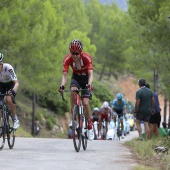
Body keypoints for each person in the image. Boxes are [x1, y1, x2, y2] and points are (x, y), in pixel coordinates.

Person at [58, 39, 94, 140]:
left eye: (77, 53)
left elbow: (91, 74)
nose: (74, 55)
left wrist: (89, 84)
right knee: (73, 92)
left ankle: (90, 125)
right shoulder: (67, 59)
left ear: (80, 52)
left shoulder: (87, 57)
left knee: (85, 103)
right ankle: (73, 114)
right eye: (72, 53)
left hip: (86, 78)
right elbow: (65, 75)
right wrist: (62, 86)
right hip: (76, 78)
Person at [0, 52, 20, 129]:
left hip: (10, 84)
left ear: (2, 63)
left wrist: (14, 90)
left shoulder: (8, 68)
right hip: (1, 85)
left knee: (8, 99)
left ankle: (15, 119)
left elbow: (16, 83)